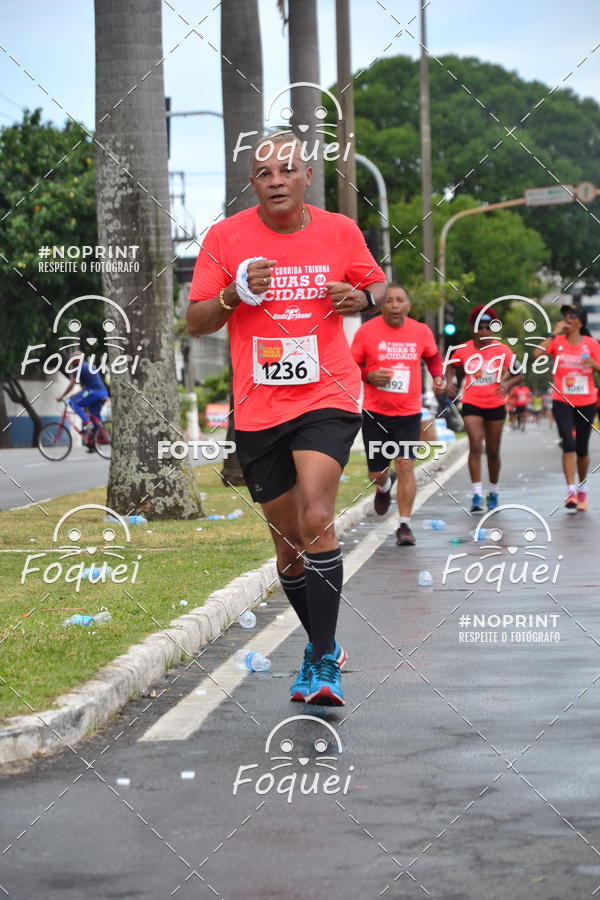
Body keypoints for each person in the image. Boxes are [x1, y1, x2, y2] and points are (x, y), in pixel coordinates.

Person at [186, 133, 387, 706]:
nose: (275, 179)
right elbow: (196, 321)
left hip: (327, 393)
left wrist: (362, 300)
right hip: (258, 407)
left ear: (306, 178)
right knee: (288, 547)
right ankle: (323, 642)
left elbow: (372, 285)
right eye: (263, 172)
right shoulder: (226, 238)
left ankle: (322, 662)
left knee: (318, 515)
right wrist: (234, 294)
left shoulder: (340, 231)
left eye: (286, 169)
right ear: (253, 184)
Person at [351, 285, 445, 546]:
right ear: (382, 306)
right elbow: (351, 364)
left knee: (405, 465)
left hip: (408, 413)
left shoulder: (420, 331)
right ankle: (383, 486)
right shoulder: (366, 332)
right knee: (377, 473)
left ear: (408, 306)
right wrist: (368, 375)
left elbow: (434, 358)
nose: (394, 304)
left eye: (399, 300)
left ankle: (404, 525)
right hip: (375, 412)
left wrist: (438, 377)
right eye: (389, 300)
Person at [444, 305, 523, 512]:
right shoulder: (464, 349)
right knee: (476, 445)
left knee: (493, 451)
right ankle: (477, 495)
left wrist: (507, 384)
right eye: (480, 327)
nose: (484, 331)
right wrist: (450, 382)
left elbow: (519, 373)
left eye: (489, 327)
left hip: (495, 404)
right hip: (472, 403)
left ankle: (494, 492)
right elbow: (451, 365)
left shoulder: (502, 350)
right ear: (473, 328)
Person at [534, 304, 600, 512]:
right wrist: (552, 333)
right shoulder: (557, 342)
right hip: (562, 400)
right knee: (568, 443)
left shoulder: (591, 344)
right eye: (565, 315)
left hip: (587, 401)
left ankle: (582, 490)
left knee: (582, 448)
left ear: (580, 321)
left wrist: (595, 365)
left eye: (572, 315)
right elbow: (537, 354)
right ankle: (570, 491)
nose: (567, 318)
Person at [57, 338, 109, 452]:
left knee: (73, 402)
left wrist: (62, 396)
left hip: (92, 392)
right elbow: (89, 386)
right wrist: (75, 394)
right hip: (102, 393)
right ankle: (96, 441)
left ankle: (86, 422)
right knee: (95, 416)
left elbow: (72, 384)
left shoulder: (78, 368)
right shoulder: (90, 366)